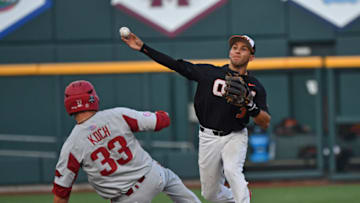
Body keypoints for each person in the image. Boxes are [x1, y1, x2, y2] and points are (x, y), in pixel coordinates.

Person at [122, 32, 271, 203]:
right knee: (210, 194)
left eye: (243, 49)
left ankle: (242, 199)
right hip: (208, 137)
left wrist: (250, 104)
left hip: (235, 136)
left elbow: (264, 121)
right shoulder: (209, 73)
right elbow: (176, 65)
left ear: (251, 57)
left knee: (232, 170)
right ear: (229, 52)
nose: (237, 51)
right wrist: (143, 48)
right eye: (234, 47)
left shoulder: (255, 86)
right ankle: (236, 197)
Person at [52, 80, 201, 203]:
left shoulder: (71, 145)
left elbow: (61, 192)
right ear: (92, 98)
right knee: (172, 181)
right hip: (153, 176)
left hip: (127, 198)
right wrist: (162, 115)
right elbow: (162, 121)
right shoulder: (117, 115)